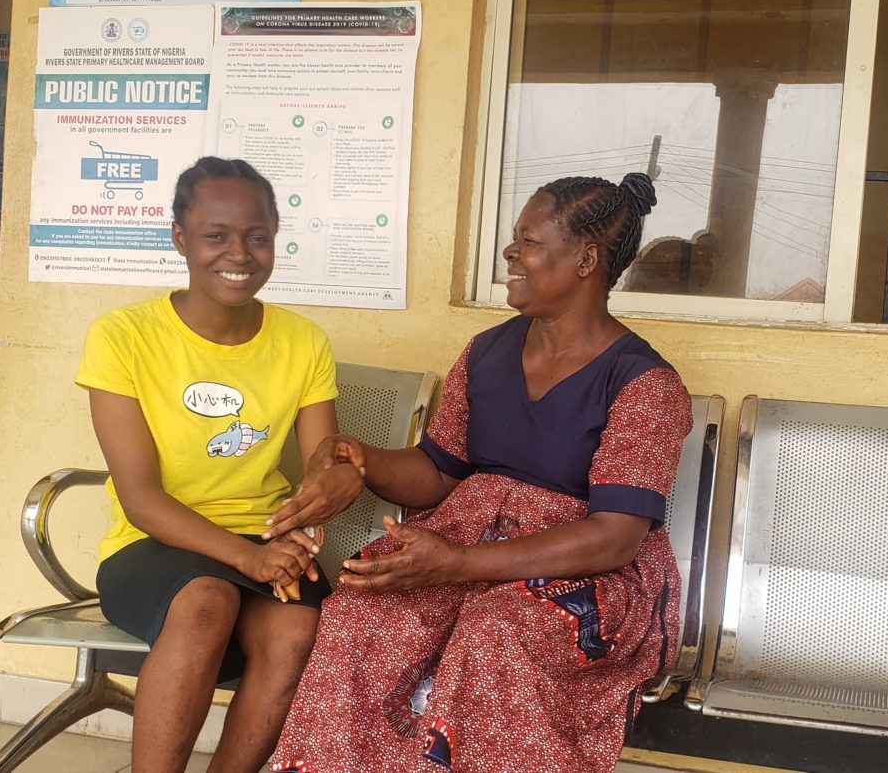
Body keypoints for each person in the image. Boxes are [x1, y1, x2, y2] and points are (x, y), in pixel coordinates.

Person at [268, 172, 692, 773]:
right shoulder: (486, 352)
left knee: (494, 635)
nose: (510, 253)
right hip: (467, 543)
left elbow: (615, 536)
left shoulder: (645, 384)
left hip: (585, 576)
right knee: (361, 612)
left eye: (530, 241)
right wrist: (360, 460)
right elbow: (437, 472)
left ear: (586, 260)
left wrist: (458, 564)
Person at [76, 157, 364, 772]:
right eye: (216, 235)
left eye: (257, 236)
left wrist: (334, 480)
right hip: (153, 543)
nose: (239, 253)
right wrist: (247, 556)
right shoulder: (122, 336)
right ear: (179, 236)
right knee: (207, 601)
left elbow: (321, 457)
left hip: (264, 541)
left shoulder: (303, 340)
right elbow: (141, 499)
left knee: (295, 634)